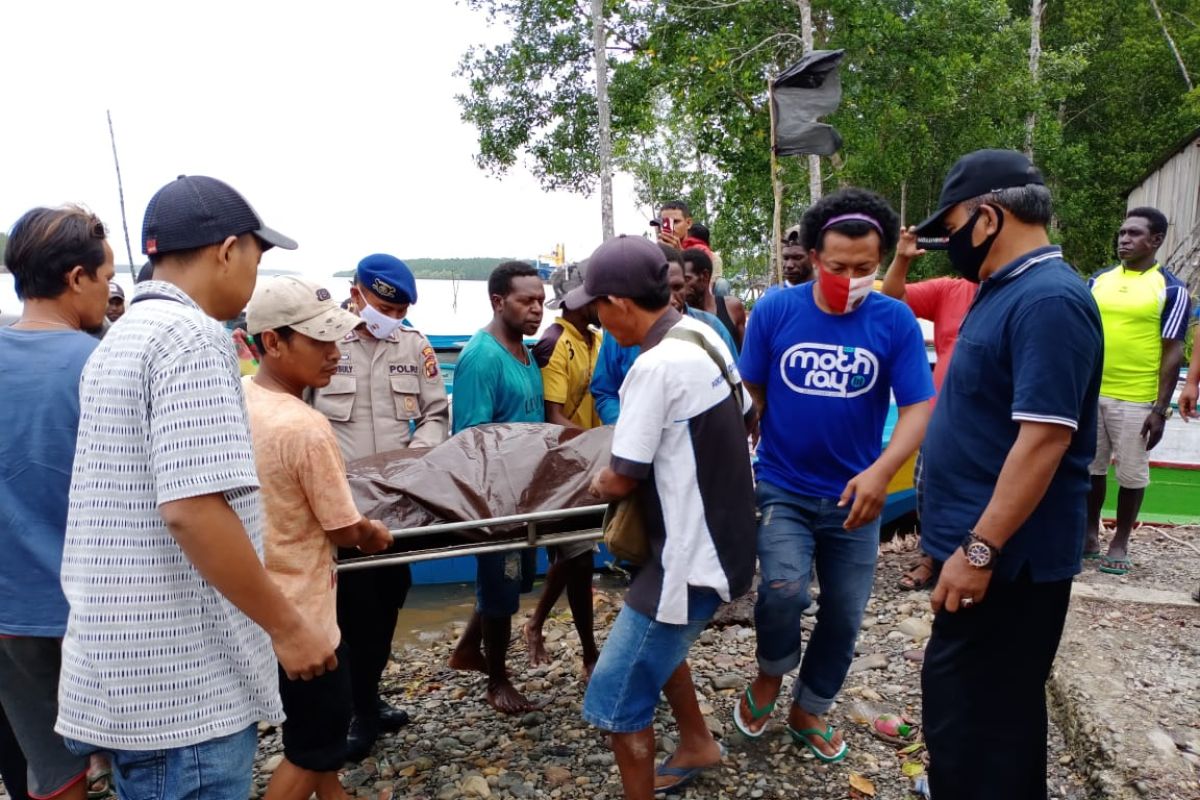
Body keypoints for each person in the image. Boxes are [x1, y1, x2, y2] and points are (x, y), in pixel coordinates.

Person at [57, 175, 333, 800]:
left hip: (121, 667)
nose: (253, 277)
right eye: (257, 261)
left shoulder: (115, 339)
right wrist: (288, 627)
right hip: (182, 686)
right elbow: (192, 509)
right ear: (228, 250)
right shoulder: (194, 338)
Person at [914, 150, 1103, 799]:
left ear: (988, 217)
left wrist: (980, 547)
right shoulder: (1008, 291)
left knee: (978, 718)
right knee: (981, 715)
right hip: (984, 557)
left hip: (1009, 563)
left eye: (954, 223)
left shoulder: (1049, 300)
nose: (948, 240)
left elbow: (1045, 438)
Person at [733, 189, 934, 762]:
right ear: (813, 257)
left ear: (881, 261)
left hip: (857, 496)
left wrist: (881, 473)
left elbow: (919, 406)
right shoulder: (776, 309)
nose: (850, 278)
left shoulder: (893, 319)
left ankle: (810, 706)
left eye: (865, 268)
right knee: (781, 590)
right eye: (837, 267)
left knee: (844, 613)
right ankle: (771, 674)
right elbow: (754, 389)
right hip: (784, 485)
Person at [573, 234, 756, 799]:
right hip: (729, 537)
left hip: (686, 557)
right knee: (657, 649)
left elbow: (622, 476)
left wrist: (591, 478)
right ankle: (698, 741)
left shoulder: (655, 366)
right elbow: (746, 410)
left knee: (617, 694)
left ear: (619, 304)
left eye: (598, 308)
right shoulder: (702, 333)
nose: (600, 321)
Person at [243, 276, 394, 800]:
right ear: (272, 342)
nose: (335, 354)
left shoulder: (239, 399)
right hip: (305, 618)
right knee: (312, 750)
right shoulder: (305, 426)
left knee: (319, 739)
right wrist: (374, 533)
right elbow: (343, 528)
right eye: (319, 342)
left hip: (252, 606)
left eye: (337, 339)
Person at [311, 253, 449, 760]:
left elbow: (437, 414)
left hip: (396, 507)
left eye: (398, 309)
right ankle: (351, 709)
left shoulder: (414, 347)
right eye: (382, 304)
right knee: (346, 611)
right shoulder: (323, 344)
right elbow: (299, 413)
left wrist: (415, 456)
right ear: (358, 293)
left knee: (389, 603)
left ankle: (368, 697)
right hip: (339, 506)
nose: (389, 315)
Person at [0, 205, 114, 800]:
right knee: (133, 752)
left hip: (6, 610)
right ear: (76, 278)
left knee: (50, 770)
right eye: (105, 279)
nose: (107, 293)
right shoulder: (102, 363)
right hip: (91, 608)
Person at [446, 261, 546, 714]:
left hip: (528, 494)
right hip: (497, 498)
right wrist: (489, 509)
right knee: (501, 585)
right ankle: (498, 681)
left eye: (541, 301)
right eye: (527, 301)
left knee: (514, 581)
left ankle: (467, 649)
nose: (537, 309)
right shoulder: (482, 357)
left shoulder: (525, 354)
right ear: (498, 302)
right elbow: (471, 439)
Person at [1084, 208, 1191, 575]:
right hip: (1091, 393)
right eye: (1121, 233)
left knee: (1131, 474)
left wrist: (1161, 409)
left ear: (1156, 240)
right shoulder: (1097, 281)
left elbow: (1173, 350)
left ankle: (1121, 540)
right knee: (1091, 469)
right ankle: (1089, 534)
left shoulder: (1173, 290)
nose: (1123, 240)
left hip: (1136, 398)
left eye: (1133, 234)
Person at [881, 227, 978, 591]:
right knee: (929, 486)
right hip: (942, 410)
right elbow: (892, 300)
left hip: (990, 415)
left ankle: (972, 557)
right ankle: (933, 555)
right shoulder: (949, 288)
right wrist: (903, 258)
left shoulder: (1014, 292)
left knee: (979, 489)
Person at [522, 276, 603, 678]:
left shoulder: (595, 339)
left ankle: (535, 623)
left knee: (574, 556)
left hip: (592, 461)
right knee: (579, 558)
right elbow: (552, 415)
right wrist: (597, 442)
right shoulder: (555, 343)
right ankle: (589, 653)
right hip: (566, 463)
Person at [590, 244, 738, 425]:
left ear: (686, 283)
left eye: (677, 287)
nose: (670, 298)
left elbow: (736, 392)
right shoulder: (619, 335)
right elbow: (605, 392)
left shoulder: (712, 328)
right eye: (662, 288)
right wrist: (625, 424)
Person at [682, 247, 746, 351]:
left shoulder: (732, 307)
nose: (682, 286)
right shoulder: (681, 316)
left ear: (705, 276)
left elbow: (746, 354)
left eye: (686, 279)